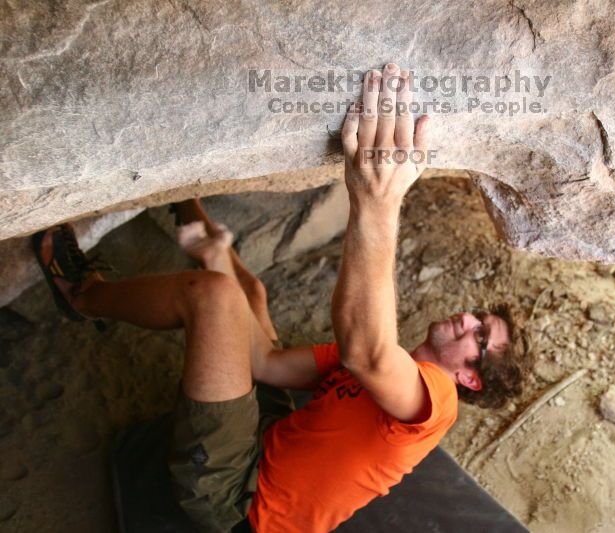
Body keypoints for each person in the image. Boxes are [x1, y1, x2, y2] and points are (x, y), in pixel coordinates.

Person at [32, 63, 523, 532]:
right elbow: (264, 363)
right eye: (479, 317)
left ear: (469, 379)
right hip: (269, 434)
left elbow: (366, 351)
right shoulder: (381, 368)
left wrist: (377, 200)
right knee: (250, 292)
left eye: (480, 336)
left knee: (212, 298)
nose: (467, 319)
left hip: (239, 501)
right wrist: (223, 257)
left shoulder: (437, 401)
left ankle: (82, 295)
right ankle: (187, 205)